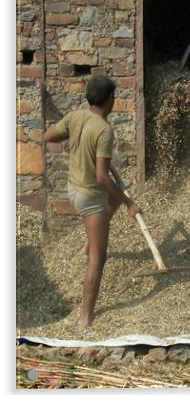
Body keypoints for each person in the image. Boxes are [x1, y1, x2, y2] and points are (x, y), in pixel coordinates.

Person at [43, 75, 141, 329]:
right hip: (89, 197)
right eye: (114, 97)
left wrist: (72, 141)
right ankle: (85, 318)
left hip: (73, 189)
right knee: (98, 258)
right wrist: (129, 203)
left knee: (116, 195)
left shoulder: (76, 117)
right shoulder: (104, 131)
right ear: (109, 99)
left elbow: (47, 137)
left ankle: (91, 240)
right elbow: (101, 177)